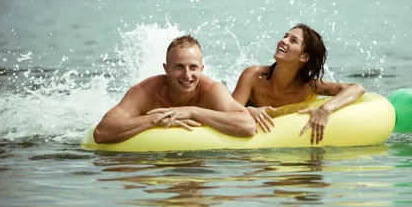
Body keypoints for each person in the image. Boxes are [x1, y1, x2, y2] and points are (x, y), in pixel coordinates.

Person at [93, 35, 256, 144]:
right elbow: (101, 132)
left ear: (202, 69)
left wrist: (193, 111)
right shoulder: (145, 91)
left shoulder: (211, 90)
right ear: (166, 69)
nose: (187, 75)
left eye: (193, 67)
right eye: (179, 67)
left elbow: (248, 126)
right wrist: (156, 119)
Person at [232, 23, 365, 145]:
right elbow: (228, 112)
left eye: (293, 41)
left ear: (304, 57)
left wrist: (325, 109)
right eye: (285, 36)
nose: (283, 41)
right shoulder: (254, 76)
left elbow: (356, 88)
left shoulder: (310, 87)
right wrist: (248, 110)